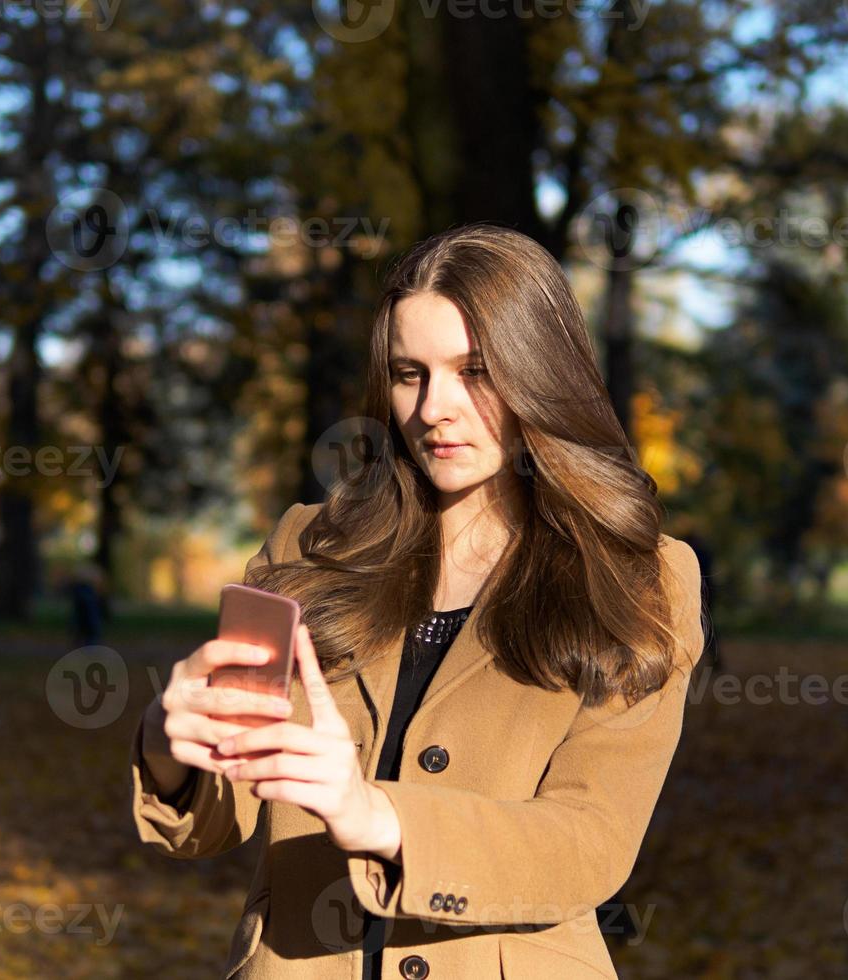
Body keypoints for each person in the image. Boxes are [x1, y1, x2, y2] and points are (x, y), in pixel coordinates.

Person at [128, 223, 709, 980]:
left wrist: (378, 816)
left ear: (541, 371)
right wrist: (174, 741)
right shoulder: (307, 547)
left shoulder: (639, 578)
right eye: (410, 373)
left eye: (474, 371)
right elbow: (218, 816)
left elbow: (591, 841)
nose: (435, 407)